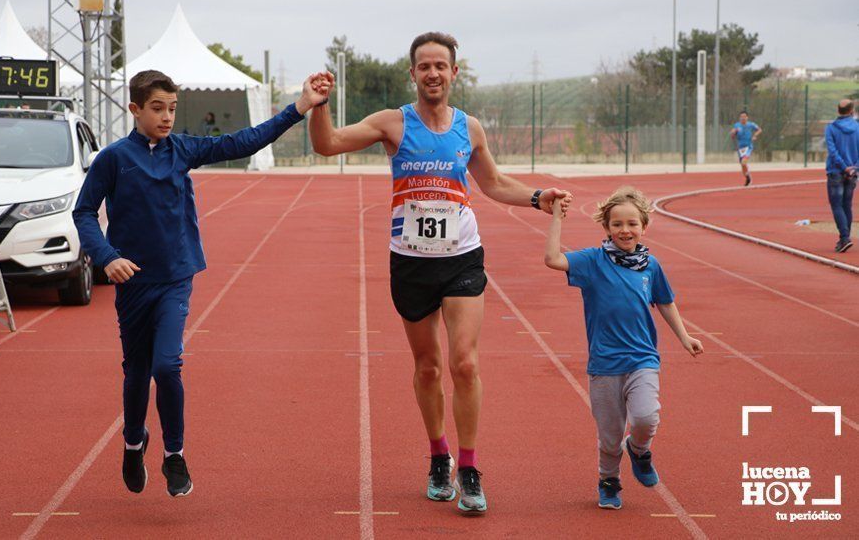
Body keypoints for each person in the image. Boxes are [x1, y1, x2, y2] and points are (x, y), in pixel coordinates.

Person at [308, 31, 572, 514]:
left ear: (454, 71)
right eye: (424, 66)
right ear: (413, 74)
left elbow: (492, 183)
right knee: (428, 367)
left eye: (440, 66)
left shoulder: (469, 128)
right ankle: (438, 456)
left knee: (465, 363)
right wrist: (319, 104)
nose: (433, 73)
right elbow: (327, 145)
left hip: (462, 257)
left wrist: (538, 197)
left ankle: (469, 468)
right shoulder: (392, 123)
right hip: (410, 261)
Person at [72, 69, 327, 497]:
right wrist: (107, 257)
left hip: (175, 277)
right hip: (133, 284)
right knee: (135, 375)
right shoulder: (113, 159)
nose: (167, 116)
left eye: (172, 108)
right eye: (157, 108)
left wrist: (299, 107)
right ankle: (134, 443)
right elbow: (84, 212)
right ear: (134, 109)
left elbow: (243, 141)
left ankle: (174, 454)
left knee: (166, 364)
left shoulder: (183, 149)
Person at [543, 186, 703, 510]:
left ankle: (640, 450)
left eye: (632, 223)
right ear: (606, 228)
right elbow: (552, 259)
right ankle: (609, 480)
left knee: (646, 417)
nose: (625, 230)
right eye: (617, 224)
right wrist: (557, 219)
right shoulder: (592, 261)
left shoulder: (651, 266)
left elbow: (666, 302)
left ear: (644, 226)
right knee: (610, 436)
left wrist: (684, 337)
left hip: (642, 358)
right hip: (604, 364)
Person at [824, 99, 859, 253]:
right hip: (852, 172)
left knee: (837, 205)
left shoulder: (831, 128)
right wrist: (854, 168)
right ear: (851, 111)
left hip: (835, 171)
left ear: (838, 111)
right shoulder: (858, 127)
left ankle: (845, 237)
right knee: (847, 205)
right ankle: (844, 237)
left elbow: (833, 151)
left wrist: (844, 167)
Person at [729, 111, 762, 186]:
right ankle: (748, 177)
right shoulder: (737, 125)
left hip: (748, 146)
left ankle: (748, 178)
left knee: (744, 162)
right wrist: (733, 133)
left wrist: (755, 135)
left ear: (747, 117)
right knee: (743, 166)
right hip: (740, 148)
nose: (743, 118)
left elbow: (759, 130)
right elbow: (732, 136)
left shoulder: (751, 125)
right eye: (741, 117)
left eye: (744, 116)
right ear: (739, 118)